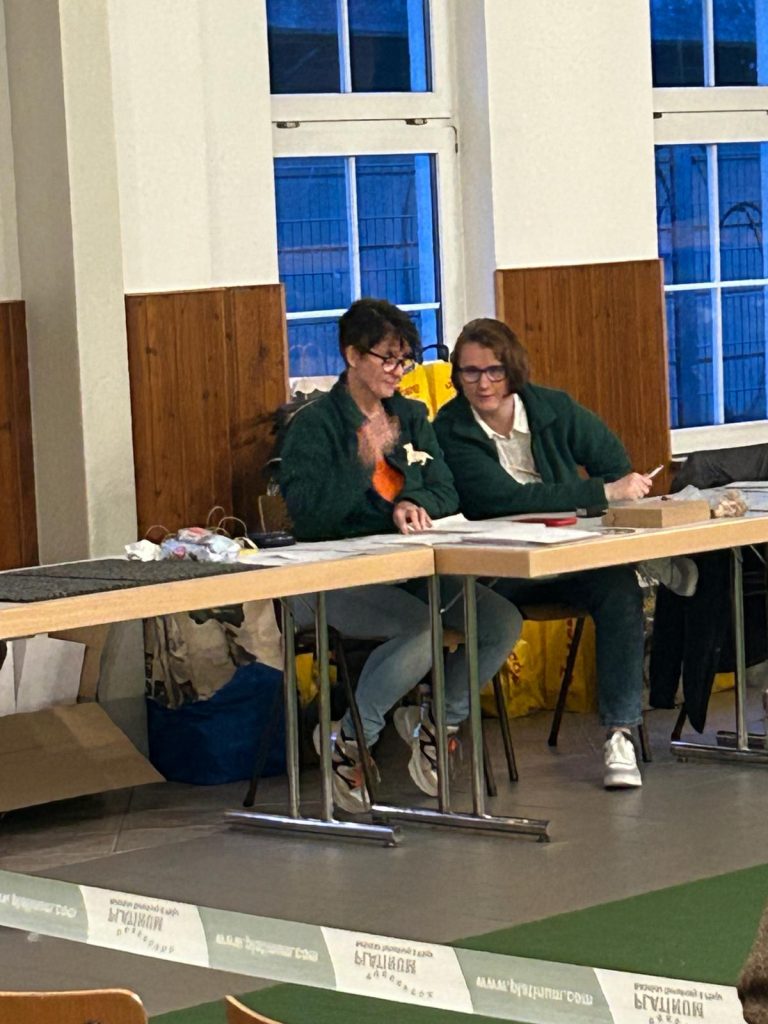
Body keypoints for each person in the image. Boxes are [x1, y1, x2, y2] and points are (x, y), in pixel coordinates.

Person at [279, 299, 521, 813]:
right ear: (352, 355)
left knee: (500, 621)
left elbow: (446, 490)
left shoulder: (409, 416)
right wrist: (363, 457)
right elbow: (312, 518)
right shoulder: (314, 426)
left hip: (409, 567)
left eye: (404, 359)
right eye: (387, 358)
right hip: (332, 579)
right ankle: (350, 738)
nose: (398, 370)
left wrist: (411, 500)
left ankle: (439, 721)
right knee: (423, 629)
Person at [434, 317, 694, 789]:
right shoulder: (449, 428)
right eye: (469, 372)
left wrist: (606, 492)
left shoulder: (552, 406)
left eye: (493, 370)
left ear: (512, 368)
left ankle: (619, 734)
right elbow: (500, 500)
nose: (483, 383)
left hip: (566, 556)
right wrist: (598, 493)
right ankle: (437, 720)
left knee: (618, 589)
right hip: (499, 568)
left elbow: (615, 463)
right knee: (490, 610)